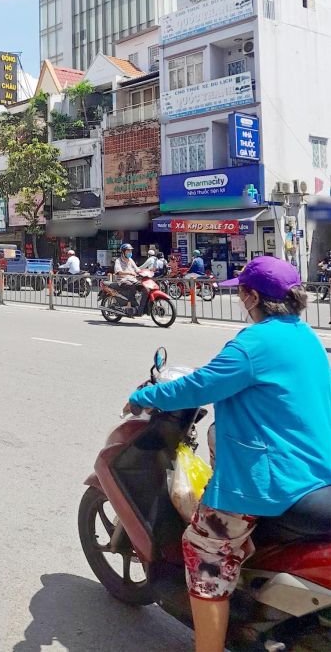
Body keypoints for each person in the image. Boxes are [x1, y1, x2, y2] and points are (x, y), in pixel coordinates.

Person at [128, 257, 331, 652]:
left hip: (272, 480)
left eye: (241, 292)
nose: (240, 299)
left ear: (253, 296)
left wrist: (144, 396)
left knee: (204, 551)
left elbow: (198, 386)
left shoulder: (253, 344)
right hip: (316, 468)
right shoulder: (305, 336)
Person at [113, 242, 140, 309]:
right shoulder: (118, 261)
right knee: (132, 286)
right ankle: (129, 305)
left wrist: (145, 272)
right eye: (128, 251)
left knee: (143, 286)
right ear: (123, 252)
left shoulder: (130, 260)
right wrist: (129, 273)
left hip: (132, 279)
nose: (130, 252)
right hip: (122, 280)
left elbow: (137, 269)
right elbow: (118, 272)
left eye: (131, 251)